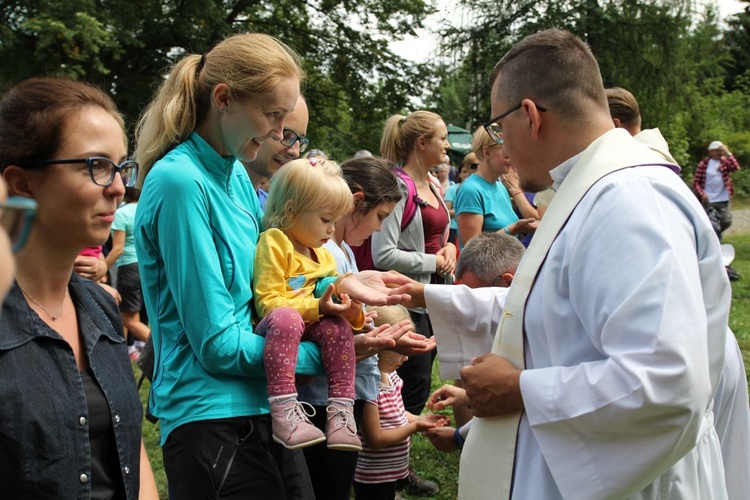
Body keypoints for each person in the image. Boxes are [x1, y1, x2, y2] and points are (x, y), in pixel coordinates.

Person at [451, 28, 742, 499]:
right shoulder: (594, 187)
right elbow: (556, 313)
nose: (502, 148)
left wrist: (523, 390)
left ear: (529, 115)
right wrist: (424, 296)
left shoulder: (628, 198)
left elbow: (666, 382)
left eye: (499, 127)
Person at [133, 32, 411, 498]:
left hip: (268, 404)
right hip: (209, 415)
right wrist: (339, 354)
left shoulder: (238, 179)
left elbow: (272, 292)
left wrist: (341, 282)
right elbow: (217, 345)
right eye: (273, 115)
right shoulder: (180, 182)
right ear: (223, 99)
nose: (281, 136)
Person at [0, 77, 158, 498]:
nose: (120, 188)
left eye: (122, 166)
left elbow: (129, 446)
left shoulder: (99, 306)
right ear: (22, 183)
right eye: (97, 165)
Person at [299, 155, 434, 500]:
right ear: (357, 202)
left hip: (343, 394)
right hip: (324, 400)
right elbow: (317, 319)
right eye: (380, 217)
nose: (378, 228)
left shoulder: (341, 248)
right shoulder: (325, 248)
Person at [254, 157, 368, 452]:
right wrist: (318, 307)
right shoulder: (275, 242)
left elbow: (328, 297)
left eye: (335, 221)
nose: (332, 230)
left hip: (309, 329)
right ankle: (284, 411)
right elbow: (267, 303)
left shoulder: (325, 257)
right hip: (280, 328)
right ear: (292, 211)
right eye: (325, 219)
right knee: (286, 318)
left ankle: (341, 412)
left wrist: (351, 312)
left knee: (338, 327)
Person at [370, 110, 456, 496]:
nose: (448, 145)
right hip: (407, 302)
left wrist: (451, 250)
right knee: (401, 386)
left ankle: (396, 467)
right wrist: (431, 262)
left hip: (431, 299)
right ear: (422, 144)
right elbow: (382, 252)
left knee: (414, 385)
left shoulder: (435, 184)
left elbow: (442, 235)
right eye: (442, 137)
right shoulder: (400, 187)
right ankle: (383, 468)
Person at [353, 304, 448, 500]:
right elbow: (376, 439)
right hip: (373, 475)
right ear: (378, 347)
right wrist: (414, 428)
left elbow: (396, 413)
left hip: (389, 471)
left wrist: (421, 420)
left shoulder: (391, 375)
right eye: (401, 350)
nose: (406, 358)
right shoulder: (369, 386)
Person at [454, 125, 536, 247]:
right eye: (506, 154)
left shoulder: (501, 187)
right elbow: (471, 249)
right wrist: (513, 229)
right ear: (486, 152)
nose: (511, 159)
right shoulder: (470, 190)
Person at [242, 94, 310, 204]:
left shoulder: (272, 212)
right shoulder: (208, 192)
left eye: (300, 140)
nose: (295, 152)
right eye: (286, 135)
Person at [105, 186, 150, 347]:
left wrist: (102, 268)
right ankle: (123, 355)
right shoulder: (147, 209)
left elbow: (118, 249)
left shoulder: (122, 214)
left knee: (130, 320)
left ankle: (163, 348)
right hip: (146, 267)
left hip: (129, 269)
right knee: (127, 316)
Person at [693, 140, 741, 241]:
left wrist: (728, 153)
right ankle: (716, 243)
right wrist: (702, 194)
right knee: (713, 224)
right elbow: (696, 182)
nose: (720, 152)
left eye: (721, 150)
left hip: (723, 199)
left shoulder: (724, 162)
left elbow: (736, 167)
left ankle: (715, 236)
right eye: (718, 150)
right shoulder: (703, 164)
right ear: (711, 152)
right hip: (709, 200)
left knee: (726, 221)